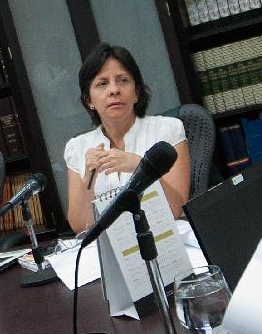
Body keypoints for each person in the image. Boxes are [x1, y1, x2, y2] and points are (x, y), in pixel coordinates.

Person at [64, 43, 191, 232]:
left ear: (137, 93)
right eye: (102, 83)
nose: (114, 90)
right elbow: (81, 227)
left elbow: (175, 209)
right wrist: (88, 178)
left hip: (164, 236)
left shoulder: (168, 131)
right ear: (89, 101)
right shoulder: (78, 148)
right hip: (112, 246)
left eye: (123, 80)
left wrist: (142, 167)